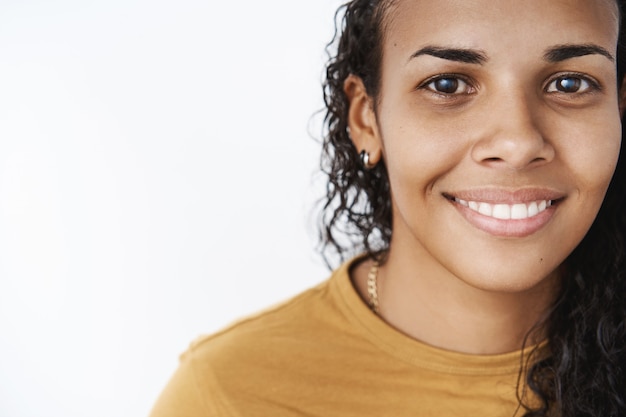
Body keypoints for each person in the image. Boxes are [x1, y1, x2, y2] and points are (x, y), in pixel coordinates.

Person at [149, 0, 626, 415]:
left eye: (570, 83)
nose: (518, 142)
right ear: (366, 119)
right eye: (447, 85)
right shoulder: (230, 398)